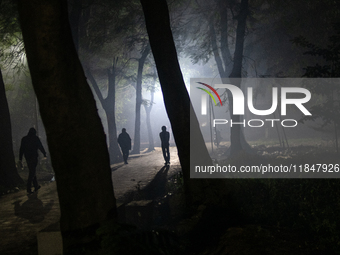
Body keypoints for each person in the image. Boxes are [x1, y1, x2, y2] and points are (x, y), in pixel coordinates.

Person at [19, 127, 47, 195]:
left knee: (32, 170)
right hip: (34, 157)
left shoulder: (24, 139)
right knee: (32, 172)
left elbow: (21, 149)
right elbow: (40, 146)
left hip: (27, 157)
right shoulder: (35, 138)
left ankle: (36, 185)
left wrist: (20, 158)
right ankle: (28, 187)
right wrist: (44, 153)